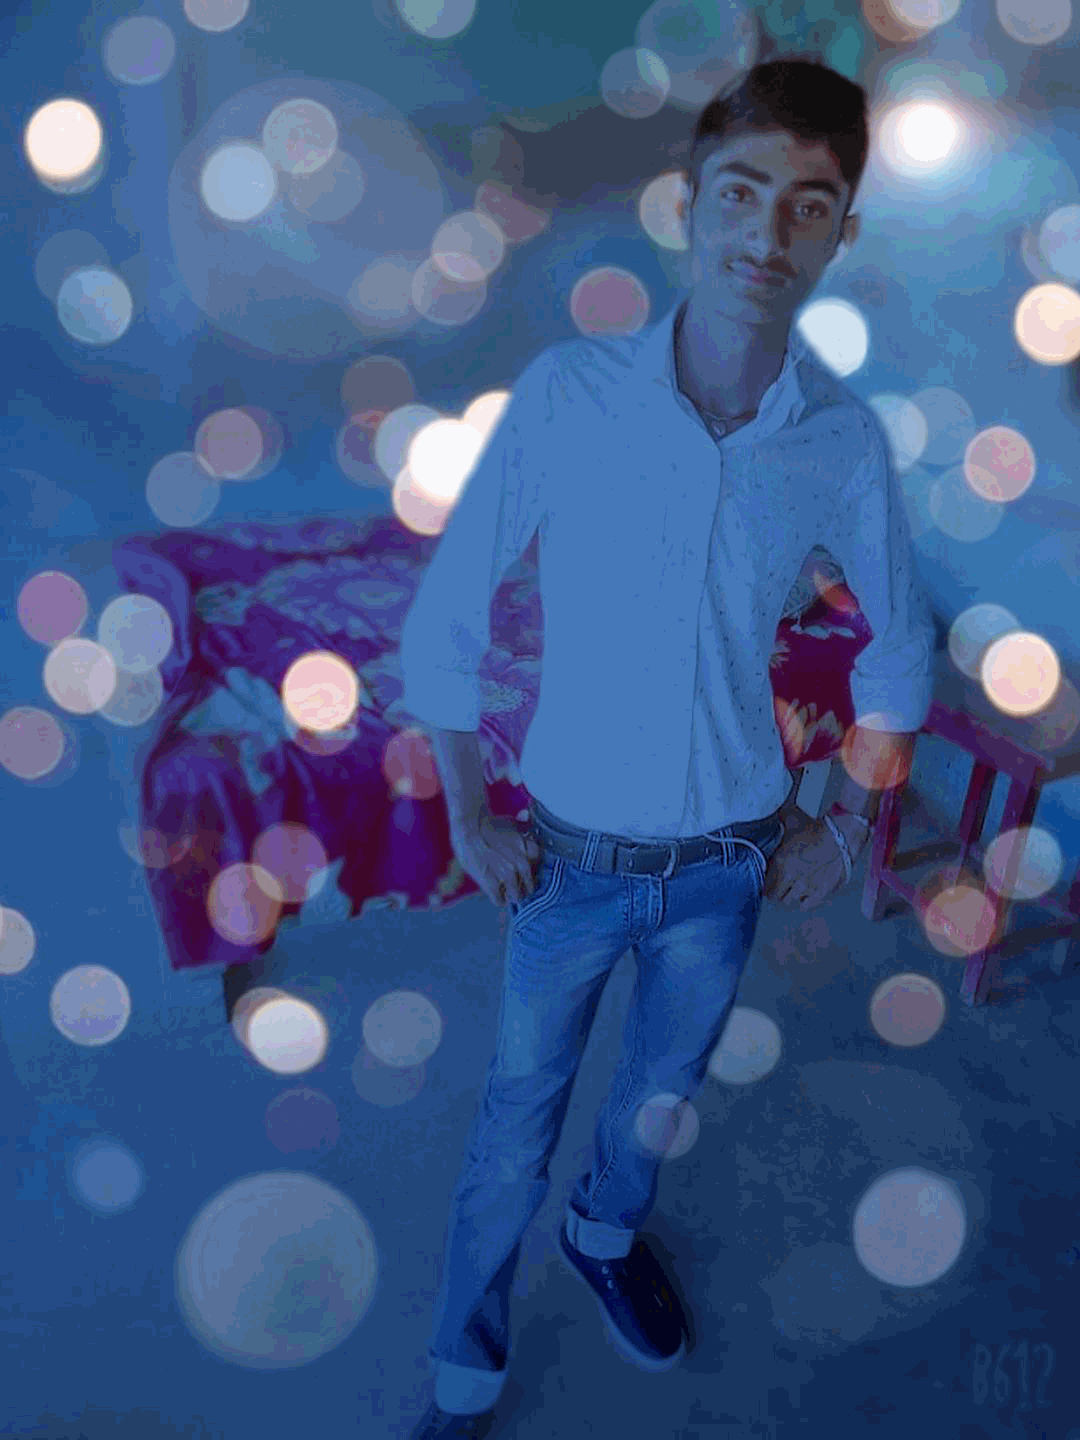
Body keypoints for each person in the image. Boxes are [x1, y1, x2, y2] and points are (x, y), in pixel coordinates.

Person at [398, 54, 934, 1440]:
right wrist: (467, 808)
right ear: (690, 202)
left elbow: (898, 655)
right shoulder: (569, 395)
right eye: (742, 193)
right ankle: (467, 1361)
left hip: (727, 867)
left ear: (842, 233)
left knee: (656, 1097)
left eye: (808, 205)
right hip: (567, 866)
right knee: (513, 1122)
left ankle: (604, 1232)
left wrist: (848, 823)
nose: (767, 234)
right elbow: (450, 612)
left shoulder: (838, 443)